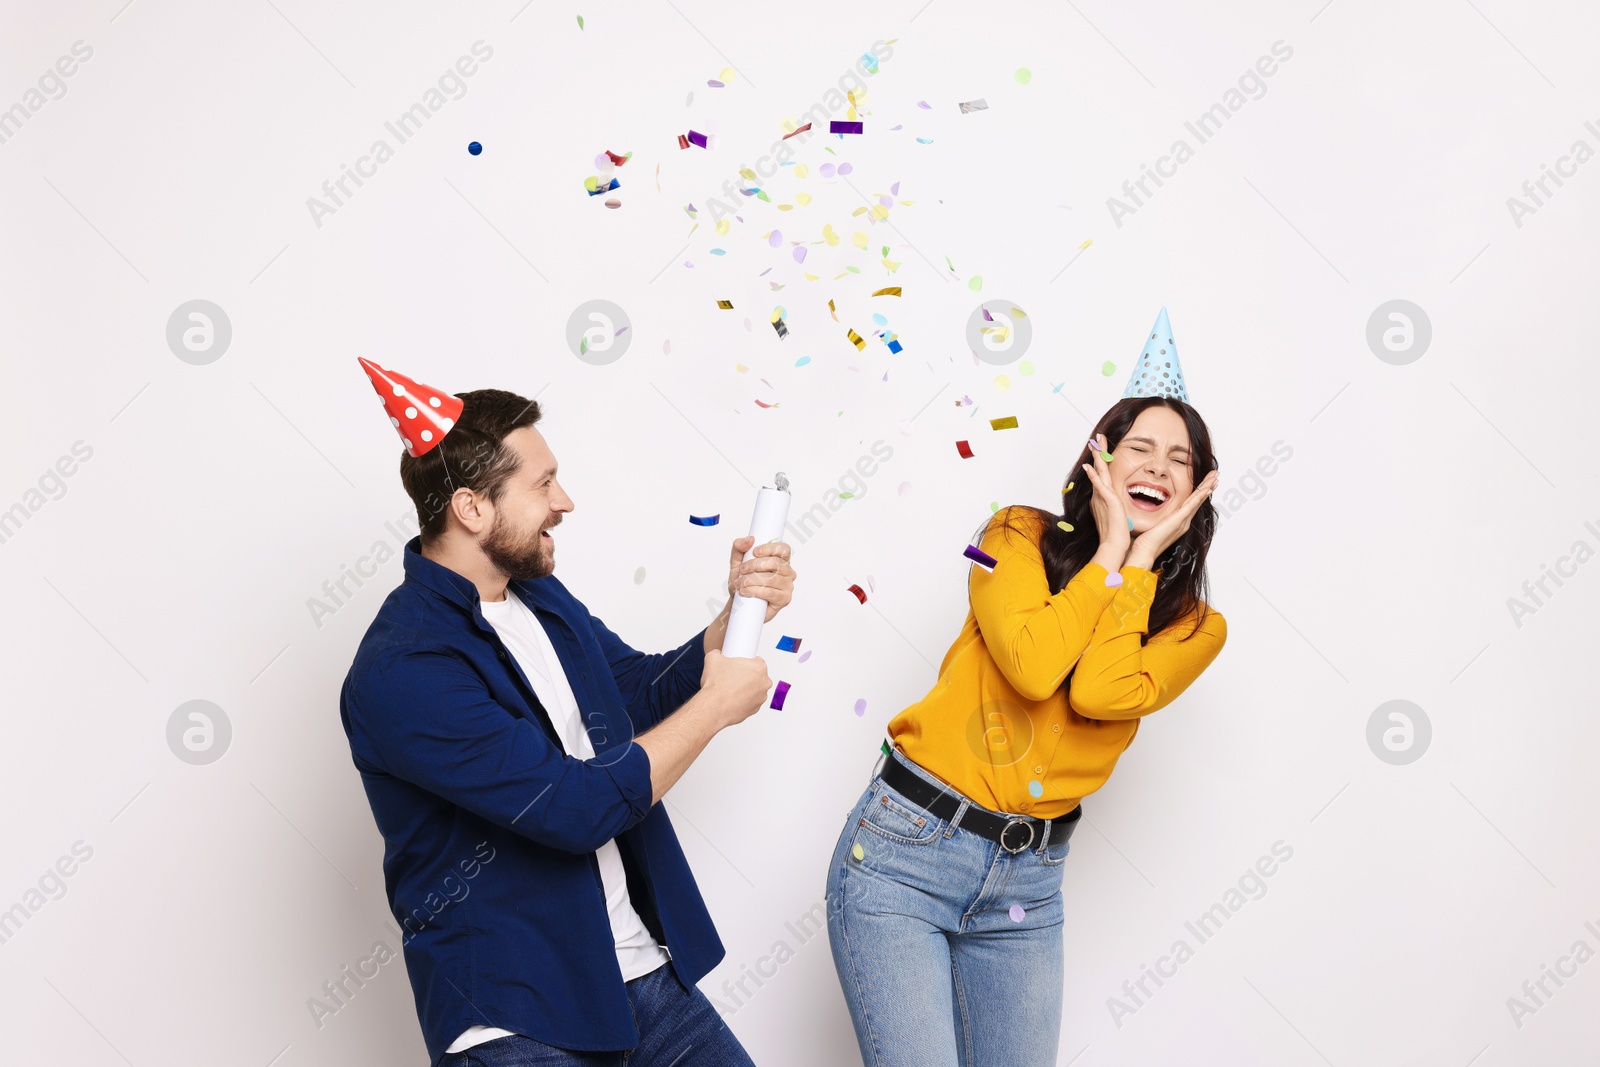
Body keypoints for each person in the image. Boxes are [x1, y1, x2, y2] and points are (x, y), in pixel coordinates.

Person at [339, 359, 797, 1067]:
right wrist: (714, 709)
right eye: (543, 484)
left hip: (634, 976)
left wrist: (733, 618)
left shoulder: (537, 598)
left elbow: (635, 695)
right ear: (471, 508)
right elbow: (570, 808)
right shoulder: (404, 671)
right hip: (514, 1014)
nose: (566, 502)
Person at [824, 309, 1227, 1067]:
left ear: (1199, 488)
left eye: (1179, 459)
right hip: (904, 853)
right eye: (1139, 447)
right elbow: (1036, 666)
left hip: (1028, 890)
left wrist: (1136, 567)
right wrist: (1110, 548)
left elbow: (1100, 692)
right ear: (1099, 461)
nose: (1157, 467)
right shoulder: (1012, 534)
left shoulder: (1196, 625)